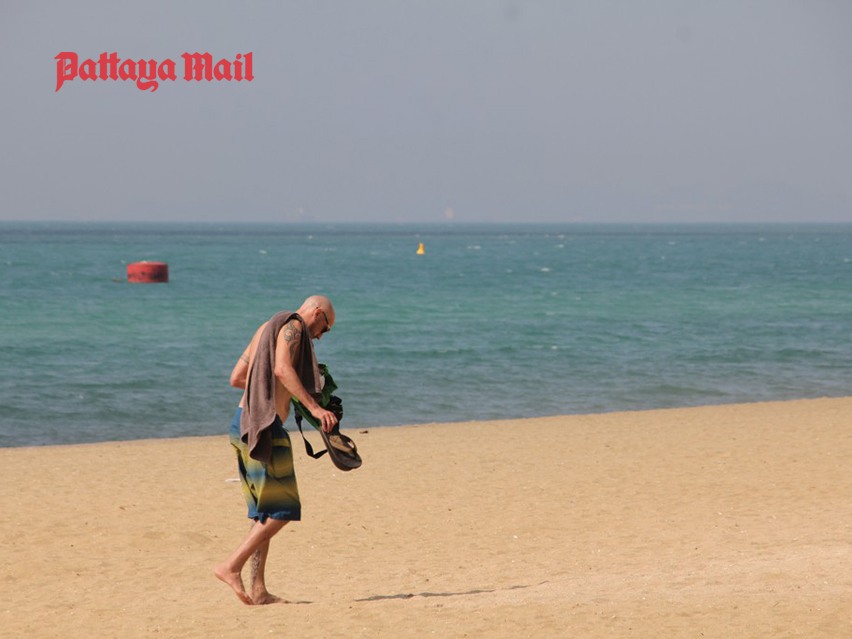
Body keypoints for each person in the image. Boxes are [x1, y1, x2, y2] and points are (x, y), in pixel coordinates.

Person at [214, 295, 338, 605]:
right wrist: (314, 407)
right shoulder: (293, 328)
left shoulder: (265, 328)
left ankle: (258, 589)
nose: (321, 336)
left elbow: (237, 378)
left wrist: (274, 388)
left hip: (241, 423)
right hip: (264, 427)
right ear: (318, 313)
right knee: (284, 508)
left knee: (264, 512)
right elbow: (282, 369)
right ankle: (231, 566)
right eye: (325, 328)